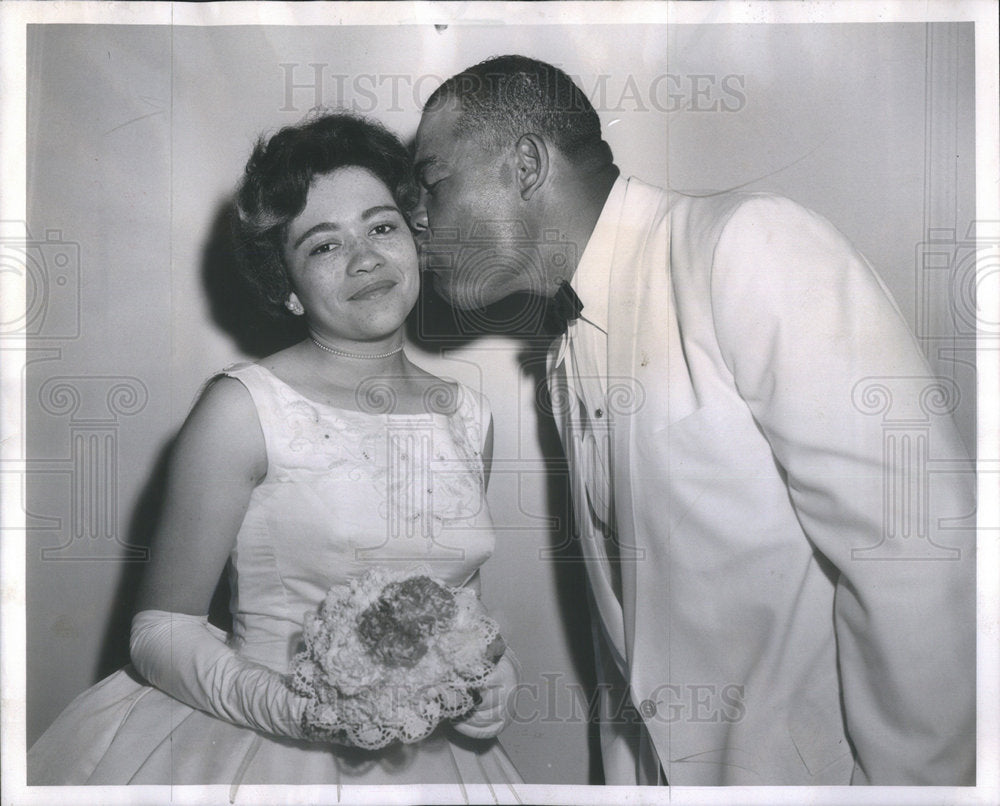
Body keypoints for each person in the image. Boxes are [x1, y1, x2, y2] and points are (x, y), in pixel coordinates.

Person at [411, 55, 976, 786]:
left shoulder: (745, 245)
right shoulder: (563, 354)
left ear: (525, 164)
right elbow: (635, 658)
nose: (416, 218)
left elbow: (919, 553)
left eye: (432, 182)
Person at [27, 111, 522, 789]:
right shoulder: (241, 410)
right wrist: (295, 710)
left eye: (382, 227)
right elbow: (160, 631)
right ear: (287, 287)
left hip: (433, 764)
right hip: (267, 750)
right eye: (323, 245)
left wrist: (490, 676)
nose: (366, 258)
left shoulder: (468, 413)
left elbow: (461, 604)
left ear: (416, 239)